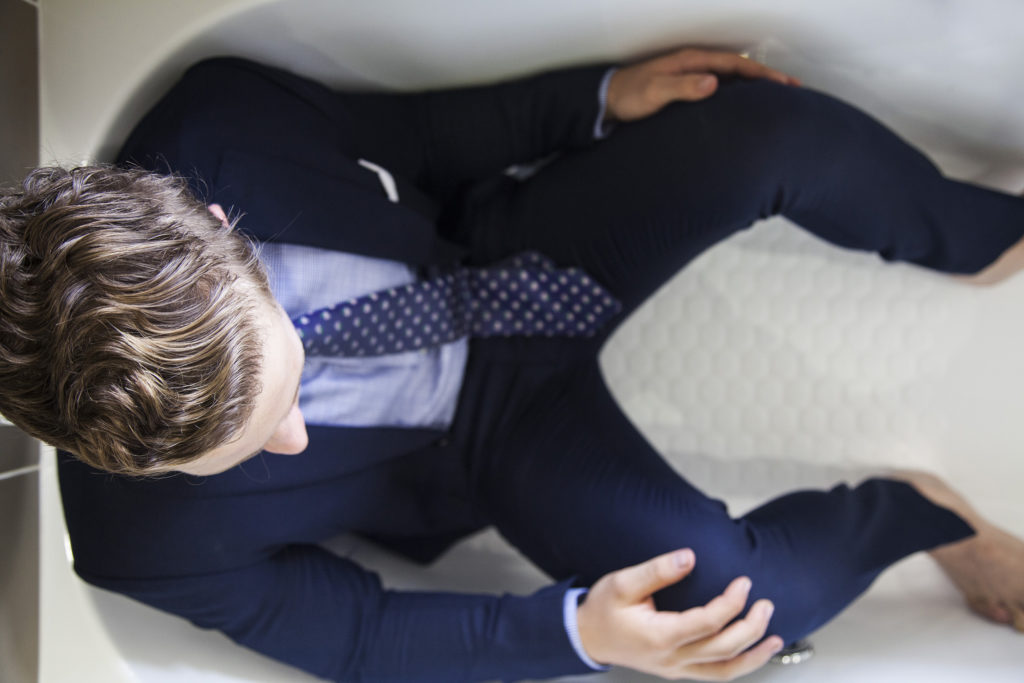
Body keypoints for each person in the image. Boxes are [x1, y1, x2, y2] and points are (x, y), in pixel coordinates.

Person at [1, 47, 1022, 682]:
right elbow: (356, 635)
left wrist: (590, 98)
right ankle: (923, 510)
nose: (295, 434)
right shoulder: (142, 546)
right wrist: (580, 634)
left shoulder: (219, 122)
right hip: (487, 442)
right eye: (248, 448)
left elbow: (415, 134)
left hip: (496, 257)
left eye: (278, 386)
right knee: (736, 618)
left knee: (764, 129)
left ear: (221, 226)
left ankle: (990, 241)